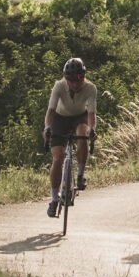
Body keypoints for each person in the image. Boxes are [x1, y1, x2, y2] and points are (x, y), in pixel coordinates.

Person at [43, 56, 97, 218]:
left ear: (83, 77)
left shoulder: (90, 88)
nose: (74, 84)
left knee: (83, 132)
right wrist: (47, 128)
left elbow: (91, 113)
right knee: (58, 157)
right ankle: (54, 199)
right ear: (66, 78)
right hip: (60, 118)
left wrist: (92, 129)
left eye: (78, 80)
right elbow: (51, 111)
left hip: (79, 116)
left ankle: (80, 175)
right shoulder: (59, 86)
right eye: (70, 80)